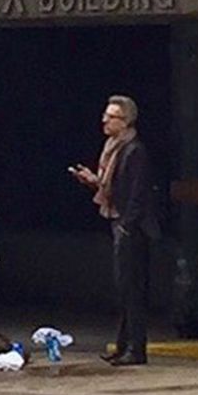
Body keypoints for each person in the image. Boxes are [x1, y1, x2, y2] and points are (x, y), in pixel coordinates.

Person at [70, 95, 160, 367]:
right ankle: (123, 345)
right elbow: (112, 188)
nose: (105, 121)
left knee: (132, 288)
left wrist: (126, 225)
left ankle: (136, 348)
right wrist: (93, 181)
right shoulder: (112, 148)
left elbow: (137, 193)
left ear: (126, 121)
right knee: (122, 288)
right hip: (118, 219)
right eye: (105, 115)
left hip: (131, 226)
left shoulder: (134, 150)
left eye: (111, 117)